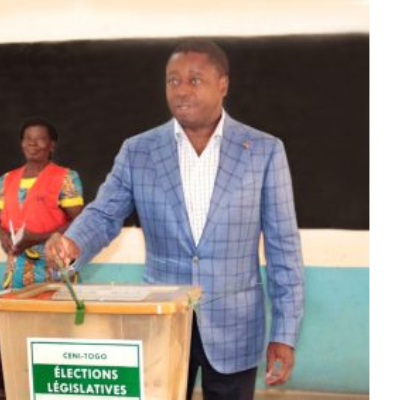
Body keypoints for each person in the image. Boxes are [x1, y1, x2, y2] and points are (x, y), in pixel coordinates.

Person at [46, 41, 304, 400]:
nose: (181, 90)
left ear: (223, 84)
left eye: (195, 80)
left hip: (235, 327)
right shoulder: (138, 150)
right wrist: (72, 244)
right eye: (173, 81)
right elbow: (104, 213)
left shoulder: (263, 150)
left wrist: (284, 333)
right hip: (162, 322)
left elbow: (283, 248)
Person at [0, 117, 84, 288]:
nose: (32, 144)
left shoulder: (66, 178)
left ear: (52, 146)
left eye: (40, 139)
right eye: (27, 139)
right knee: (13, 305)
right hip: (16, 269)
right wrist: (3, 236)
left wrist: (36, 238)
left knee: (55, 305)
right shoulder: (6, 180)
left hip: (54, 266)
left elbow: (79, 221)